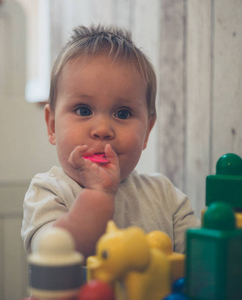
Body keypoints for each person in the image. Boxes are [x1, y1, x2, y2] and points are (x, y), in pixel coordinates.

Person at [21, 24, 200, 258]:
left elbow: (202, 263)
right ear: (53, 125)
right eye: (83, 110)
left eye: (123, 113)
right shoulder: (48, 193)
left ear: (147, 130)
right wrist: (99, 195)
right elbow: (56, 253)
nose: (103, 130)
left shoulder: (166, 197)